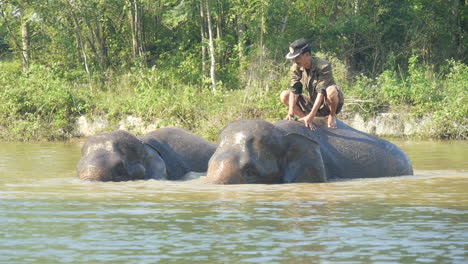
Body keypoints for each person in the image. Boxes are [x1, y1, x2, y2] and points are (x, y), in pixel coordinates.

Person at [280, 38, 344, 129]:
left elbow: (321, 92)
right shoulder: (296, 68)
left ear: (307, 55)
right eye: (293, 58)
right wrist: (290, 112)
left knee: (331, 91)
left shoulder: (323, 66)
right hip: (312, 101)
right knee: (284, 95)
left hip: (327, 103)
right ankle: (305, 120)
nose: (295, 60)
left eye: (297, 57)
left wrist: (312, 115)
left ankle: (332, 116)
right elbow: (295, 91)